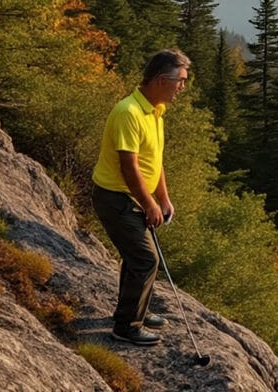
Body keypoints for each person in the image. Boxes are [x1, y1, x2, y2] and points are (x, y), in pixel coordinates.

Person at [91, 49, 190, 346]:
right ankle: (127, 326)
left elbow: (154, 160)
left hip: (131, 198)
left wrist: (164, 198)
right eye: (180, 81)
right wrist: (149, 203)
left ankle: (137, 310)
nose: (182, 87)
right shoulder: (129, 113)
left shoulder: (155, 112)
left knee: (137, 257)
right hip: (116, 198)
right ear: (162, 79)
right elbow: (129, 165)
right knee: (146, 259)